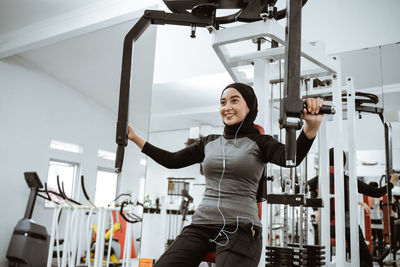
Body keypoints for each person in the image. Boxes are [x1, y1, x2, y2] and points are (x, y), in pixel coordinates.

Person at [128, 83, 324, 267]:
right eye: (223, 102)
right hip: (200, 226)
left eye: (234, 100)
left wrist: (311, 128)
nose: (227, 107)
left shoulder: (261, 142)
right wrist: (135, 138)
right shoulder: (208, 142)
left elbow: (291, 158)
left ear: (249, 107)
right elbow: (172, 160)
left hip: (240, 227)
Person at [308, 149, 399, 267]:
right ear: (344, 162)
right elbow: (377, 193)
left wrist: (316, 211)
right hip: (347, 229)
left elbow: (308, 187)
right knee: (365, 260)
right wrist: (392, 183)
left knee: (323, 257)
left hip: (327, 228)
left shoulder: (320, 179)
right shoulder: (348, 180)